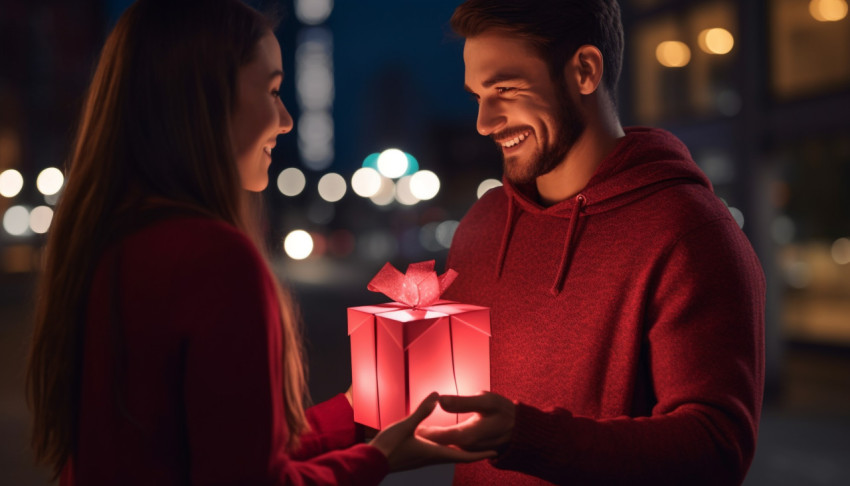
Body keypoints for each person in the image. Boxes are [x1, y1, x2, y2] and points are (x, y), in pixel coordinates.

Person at [25, 1, 493, 484]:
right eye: (272, 90)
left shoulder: (110, 238)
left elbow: (218, 450)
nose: (286, 120)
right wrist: (380, 460)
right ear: (206, 99)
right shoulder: (214, 258)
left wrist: (354, 411)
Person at [418, 1, 766, 485]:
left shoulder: (689, 232)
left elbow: (716, 447)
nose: (484, 121)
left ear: (584, 70)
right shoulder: (481, 226)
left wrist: (526, 438)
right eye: (478, 96)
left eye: (505, 89)